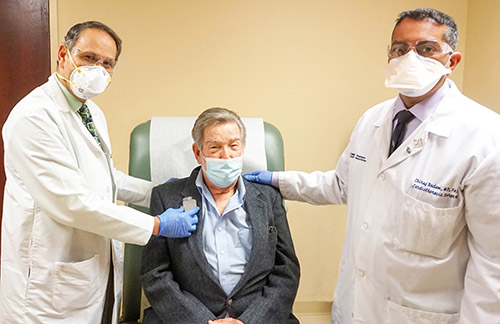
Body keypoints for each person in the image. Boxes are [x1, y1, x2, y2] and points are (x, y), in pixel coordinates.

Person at [244, 8, 500, 324]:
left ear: (452, 61)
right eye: (400, 48)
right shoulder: (372, 120)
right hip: (355, 307)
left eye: (426, 49)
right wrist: (277, 180)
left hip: (422, 315)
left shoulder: (485, 138)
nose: (410, 58)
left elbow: (493, 262)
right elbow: (342, 185)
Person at [0, 21, 199, 323]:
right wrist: (157, 224)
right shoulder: (34, 117)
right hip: (47, 282)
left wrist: (157, 191)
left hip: (88, 273)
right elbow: (72, 202)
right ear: (63, 54)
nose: (98, 69)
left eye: (108, 63)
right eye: (89, 58)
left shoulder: (91, 112)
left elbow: (105, 179)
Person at [140, 107, 300, 324]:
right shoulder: (166, 197)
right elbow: (155, 274)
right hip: (187, 316)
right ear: (198, 153)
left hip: (258, 316)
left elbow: (287, 270)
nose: (226, 156)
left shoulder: (268, 197)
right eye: (214, 147)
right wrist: (200, 321)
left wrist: (251, 320)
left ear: (242, 148)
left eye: (234, 146)